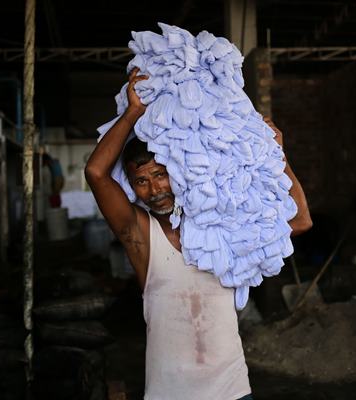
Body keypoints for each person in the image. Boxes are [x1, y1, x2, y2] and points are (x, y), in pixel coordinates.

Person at [85, 68, 312, 400]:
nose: (155, 189)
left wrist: (276, 156)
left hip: (233, 391)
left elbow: (301, 219)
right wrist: (134, 113)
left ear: (179, 172)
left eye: (161, 175)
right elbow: (95, 172)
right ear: (132, 188)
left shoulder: (222, 229)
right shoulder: (142, 237)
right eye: (142, 181)